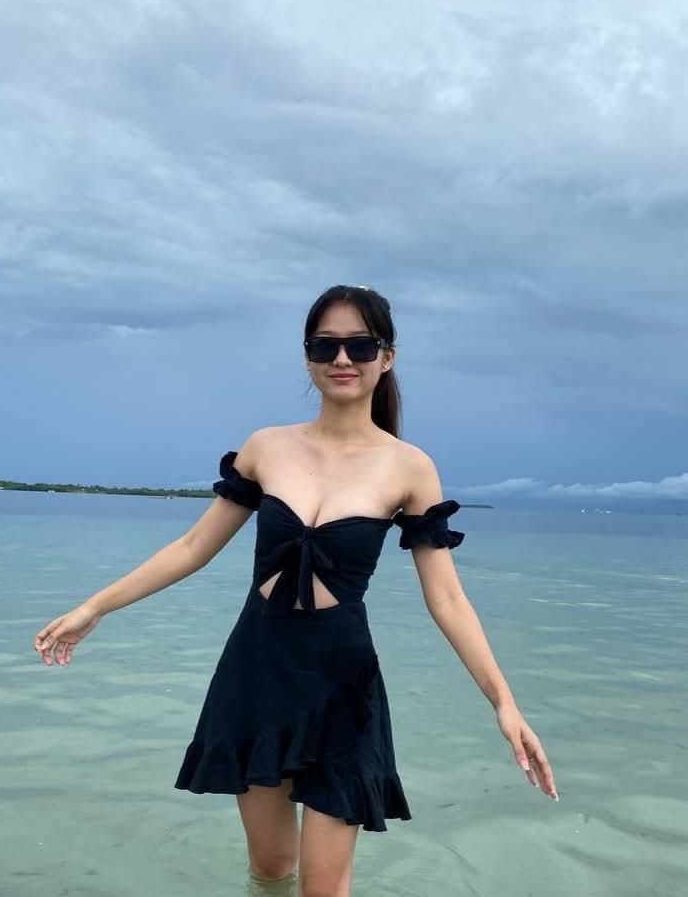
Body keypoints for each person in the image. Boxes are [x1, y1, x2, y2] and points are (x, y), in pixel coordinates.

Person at [33, 284, 558, 897]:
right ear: (307, 357)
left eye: (360, 345)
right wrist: (95, 607)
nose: (342, 359)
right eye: (324, 346)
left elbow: (446, 599)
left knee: (323, 889)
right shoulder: (267, 447)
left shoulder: (409, 467)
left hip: (342, 686)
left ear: (387, 357)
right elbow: (192, 547)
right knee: (269, 872)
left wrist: (503, 702)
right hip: (256, 671)